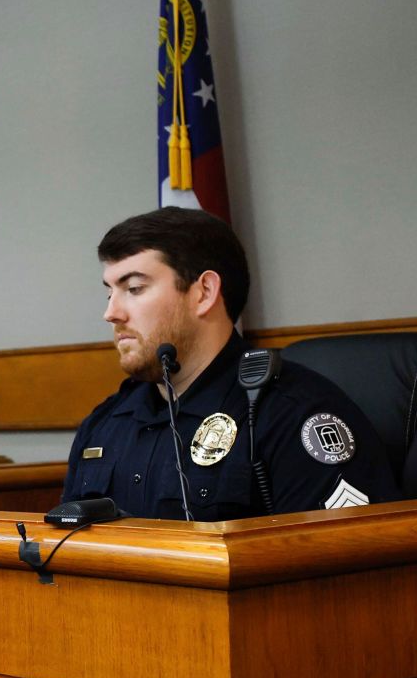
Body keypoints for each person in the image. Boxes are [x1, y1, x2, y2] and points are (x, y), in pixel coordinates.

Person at [63, 207, 399, 520]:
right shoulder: (105, 424)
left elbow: (343, 569)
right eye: (110, 293)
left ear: (204, 292)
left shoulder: (293, 415)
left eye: (134, 288)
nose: (111, 313)